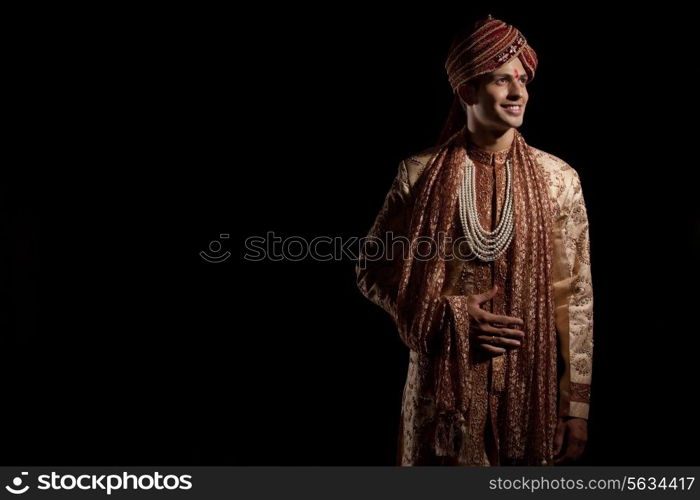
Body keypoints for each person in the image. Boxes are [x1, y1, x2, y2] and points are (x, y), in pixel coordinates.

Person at [356, 15, 593, 466]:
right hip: (442, 388)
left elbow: (575, 297)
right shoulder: (419, 173)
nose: (518, 93)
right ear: (466, 91)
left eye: (522, 79)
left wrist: (575, 407)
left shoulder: (558, 180)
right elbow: (371, 269)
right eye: (501, 80)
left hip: (530, 385)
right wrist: (447, 311)